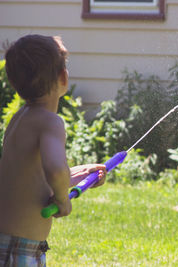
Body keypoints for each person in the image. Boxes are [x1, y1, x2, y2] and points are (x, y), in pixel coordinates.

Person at [0, 34, 107, 266]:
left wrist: (78, 174)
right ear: (63, 77)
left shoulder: (19, 120)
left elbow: (32, 178)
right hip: (20, 251)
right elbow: (56, 171)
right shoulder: (50, 122)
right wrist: (63, 201)